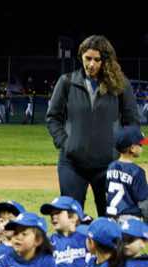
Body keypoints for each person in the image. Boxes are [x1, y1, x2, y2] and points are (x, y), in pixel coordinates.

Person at [46, 35, 139, 216]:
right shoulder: (67, 82)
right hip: (72, 164)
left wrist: (123, 150)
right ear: (81, 56)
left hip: (108, 165)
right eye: (87, 58)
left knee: (110, 220)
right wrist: (65, 143)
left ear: (105, 60)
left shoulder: (120, 85)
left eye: (97, 59)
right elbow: (53, 118)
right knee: (71, 220)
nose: (91, 64)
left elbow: (132, 121)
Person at [41, 196, 87, 267]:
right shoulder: (47, 243)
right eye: (51, 214)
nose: (53, 217)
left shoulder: (86, 240)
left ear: (73, 217)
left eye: (58, 213)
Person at [105, 126, 148, 219]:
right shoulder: (138, 172)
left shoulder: (111, 167)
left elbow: (107, 194)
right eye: (140, 144)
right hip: (130, 220)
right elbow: (144, 204)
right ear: (132, 148)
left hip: (111, 218)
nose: (142, 147)